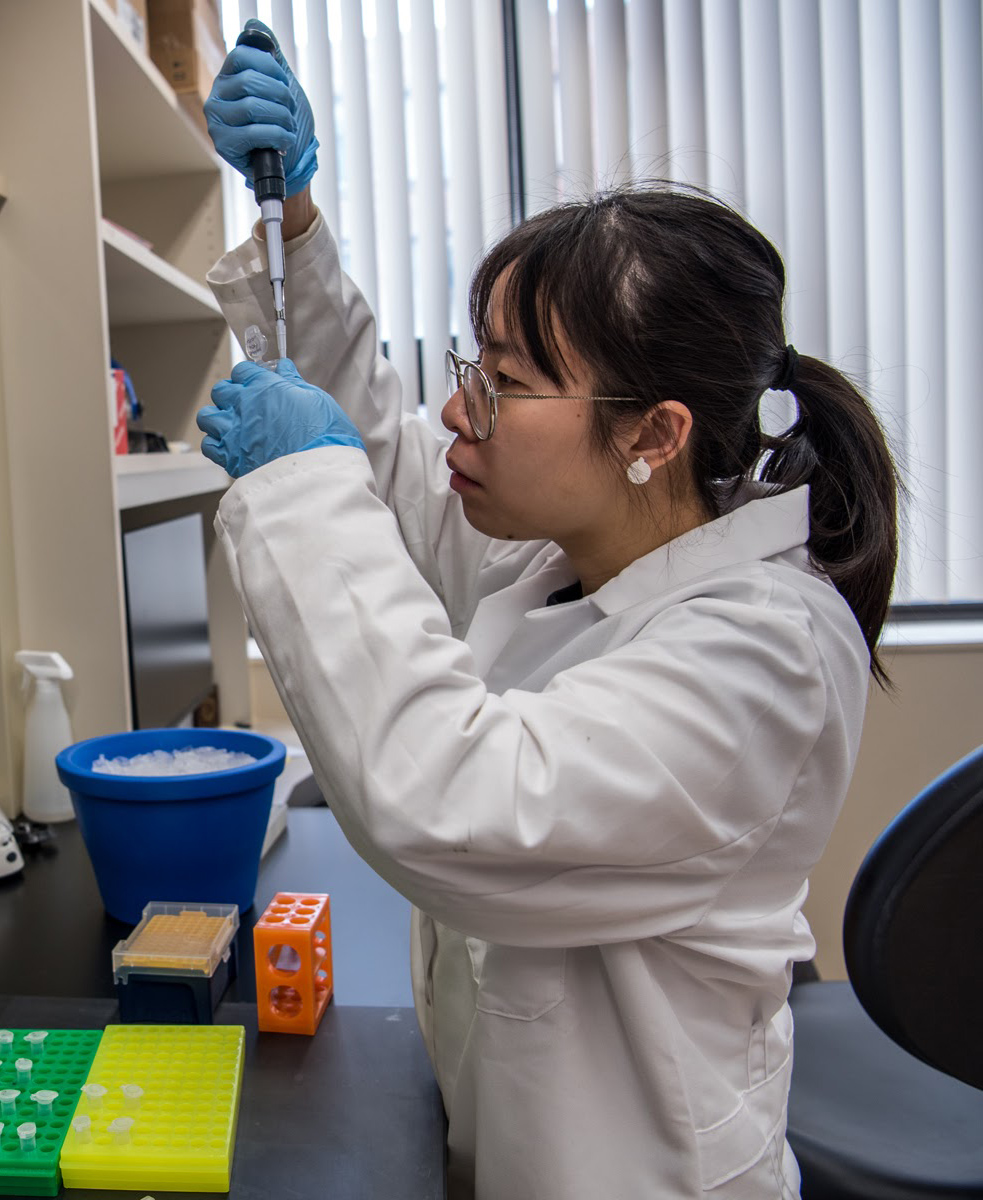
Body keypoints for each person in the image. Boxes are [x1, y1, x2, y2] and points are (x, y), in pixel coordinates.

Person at [199, 22, 900, 1200]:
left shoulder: (762, 654)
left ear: (651, 434)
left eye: (507, 382)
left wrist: (304, 486)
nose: (460, 408)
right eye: (474, 362)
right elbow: (391, 475)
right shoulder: (568, 554)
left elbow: (456, 804)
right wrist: (298, 234)